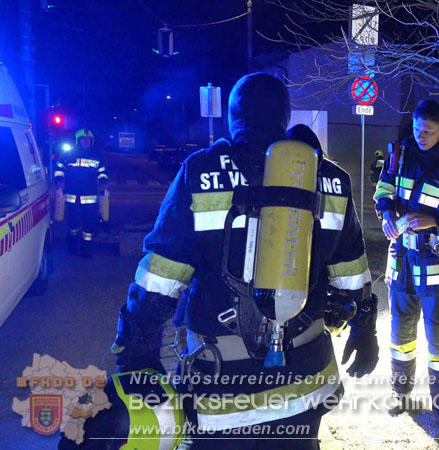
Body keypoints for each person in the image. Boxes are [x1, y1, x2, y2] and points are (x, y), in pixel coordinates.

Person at [110, 73, 378, 449]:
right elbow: (352, 272)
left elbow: (161, 278)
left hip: (221, 390)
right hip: (303, 387)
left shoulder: (200, 171)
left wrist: (136, 354)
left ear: (232, 117)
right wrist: (366, 330)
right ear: (284, 117)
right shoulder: (330, 178)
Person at [374, 99, 439, 424]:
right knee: (400, 333)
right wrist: (387, 215)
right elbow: (383, 190)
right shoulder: (400, 153)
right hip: (401, 259)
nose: (421, 136)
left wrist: (437, 222)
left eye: (428, 131)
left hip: (437, 266)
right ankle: (400, 394)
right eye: (418, 129)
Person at [54, 128, 108, 257]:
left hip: (90, 196)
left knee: (90, 224)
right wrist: (59, 180)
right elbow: (59, 169)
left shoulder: (96, 156)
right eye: (83, 139)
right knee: (74, 223)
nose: (86, 141)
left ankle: (86, 250)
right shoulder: (69, 154)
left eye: (89, 139)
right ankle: (72, 243)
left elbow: (102, 173)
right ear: (78, 140)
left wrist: (104, 183)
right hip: (73, 197)